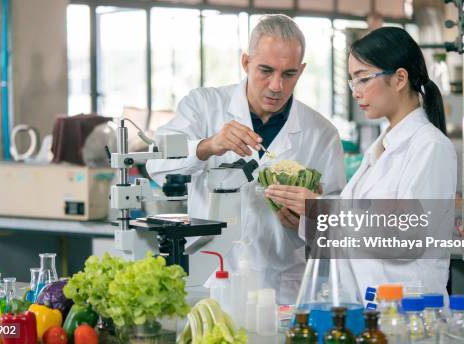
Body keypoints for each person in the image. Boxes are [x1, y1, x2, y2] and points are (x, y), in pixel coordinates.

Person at [148, 14, 346, 303]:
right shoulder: (204, 106)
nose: (276, 85)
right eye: (266, 70)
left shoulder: (321, 133)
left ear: (301, 71)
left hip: (282, 290)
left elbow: (338, 225)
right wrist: (208, 146)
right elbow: (157, 165)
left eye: (289, 74)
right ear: (245, 63)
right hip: (210, 280)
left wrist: (309, 216)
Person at [264, 27, 457, 299]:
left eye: (363, 79)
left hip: (408, 311)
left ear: (400, 78)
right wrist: (306, 221)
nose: (355, 92)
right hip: (369, 307)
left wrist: (322, 210)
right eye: (352, 82)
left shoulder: (429, 147)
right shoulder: (381, 149)